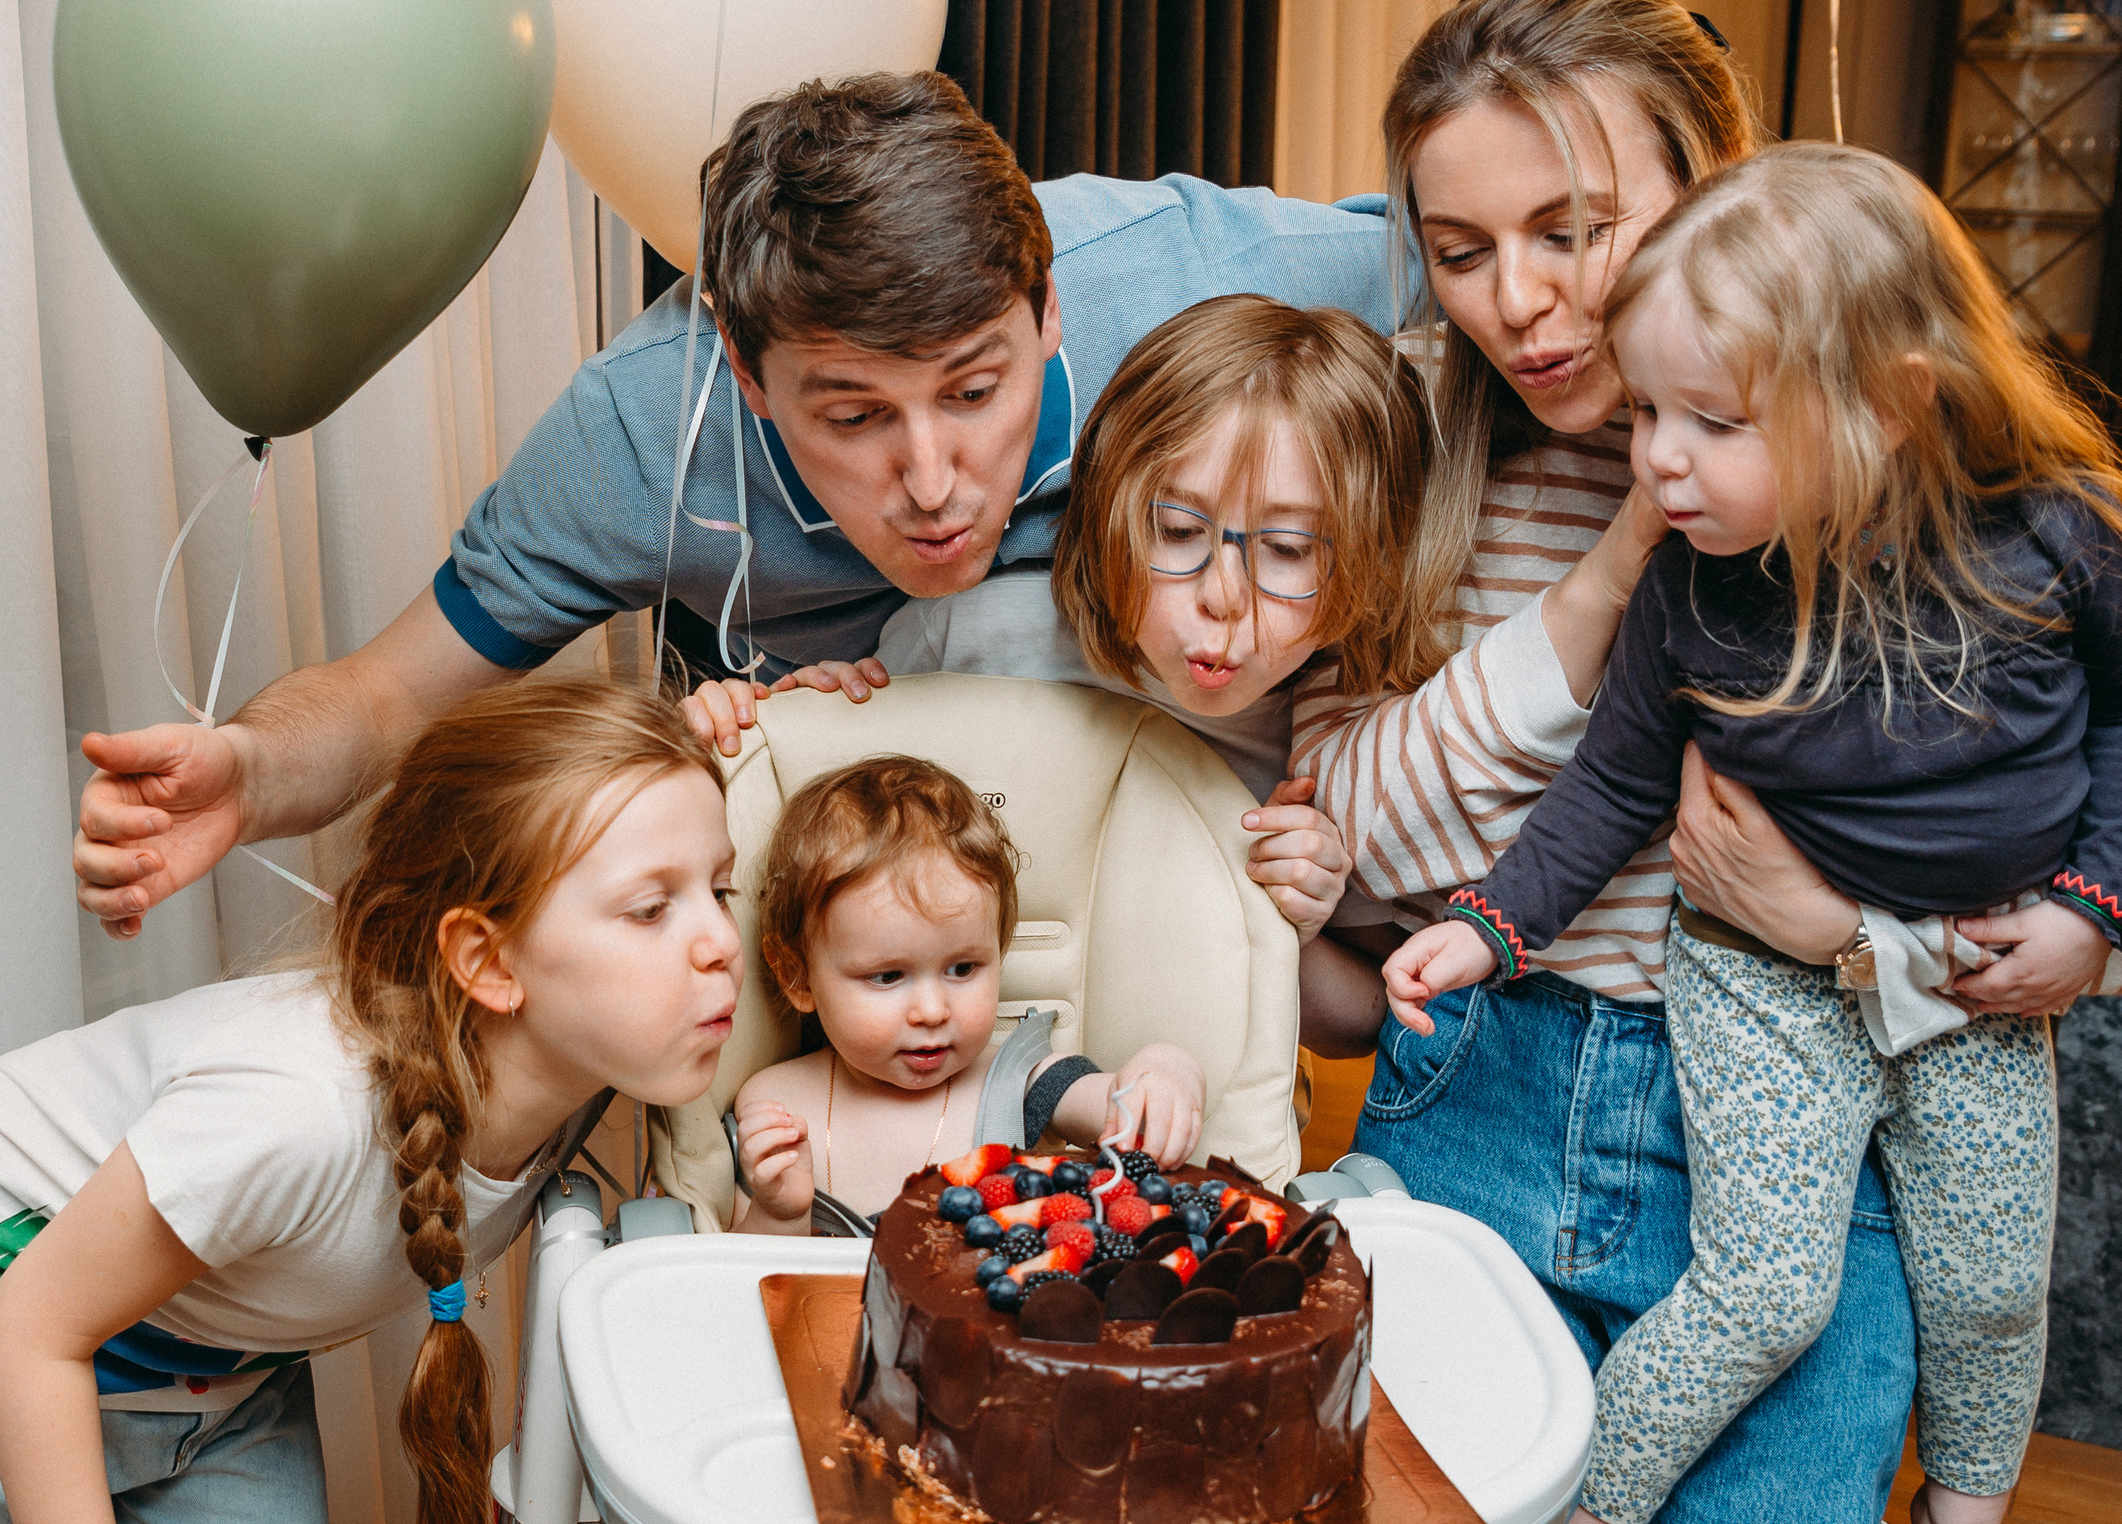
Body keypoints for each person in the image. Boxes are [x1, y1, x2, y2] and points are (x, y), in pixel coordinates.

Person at [1288, 0, 2122, 1524]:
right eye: (1460, 250)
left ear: (1713, 197)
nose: (1516, 300)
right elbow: (1346, 843)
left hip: (1801, 1120)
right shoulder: (1405, 444)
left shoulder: (1919, 485)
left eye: (1575, 232)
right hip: (1476, 1090)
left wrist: (1856, 944)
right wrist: (1612, 581)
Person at [71, 71, 1397, 942]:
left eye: (975, 391)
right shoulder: (643, 434)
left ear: (1050, 312)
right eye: (854, 416)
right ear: (747, 369)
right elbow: (379, 699)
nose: (933, 481)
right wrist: (248, 772)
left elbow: (1502, 264)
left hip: (1168, 890)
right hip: (851, 922)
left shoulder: (1193, 275)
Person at [0, 678, 740, 1524]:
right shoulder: (294, 1115)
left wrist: (775, 712)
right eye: (653, 907)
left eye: (722, 887)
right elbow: (30, 1330)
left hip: (223, 1376)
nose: (721, 942)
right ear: (488, 963)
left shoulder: (595, 1059)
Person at [688, 293, 1458, 1014]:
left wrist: (1300, 920)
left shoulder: (1336, 751)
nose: (1224, 596)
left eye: (1288, 549)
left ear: (1369, 559)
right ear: (1111, 511)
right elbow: (806, 848)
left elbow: (1360, 1022)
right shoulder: (973, 634)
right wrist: (767, 732)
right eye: (1179, 531)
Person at [727, 754, 1204, 1236]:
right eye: (888, 976)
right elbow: (733, 1277)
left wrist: (1166, 1069)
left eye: (962, 968)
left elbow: (1122, 1109)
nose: (933, 1011)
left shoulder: (1020, 1081)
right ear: (798, 977)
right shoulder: (778, 1105)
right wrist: (779, 1213)